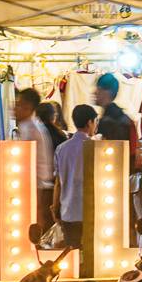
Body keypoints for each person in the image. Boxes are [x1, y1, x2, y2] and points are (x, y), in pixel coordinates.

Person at [11, 86, 59, 238]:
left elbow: (27, 161)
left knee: (35, 227)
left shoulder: (30, 128)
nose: (14, 109)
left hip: (37, 186)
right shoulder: (31, 126)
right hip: (37, 185)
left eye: (18, 105)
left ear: (28, 107)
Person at [53, 104, 97, 259]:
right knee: (91, 256)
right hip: (91, 210)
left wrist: (55, 206)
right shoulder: (95, 147)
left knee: (72, 255)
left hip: (68, 210)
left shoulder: (61, 148)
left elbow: (58, 182)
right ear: (90, 122)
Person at [93, 73, 134, 141]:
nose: (95, 92)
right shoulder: (119, 116)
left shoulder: (110, 120)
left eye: (98, 89)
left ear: (107, 92)